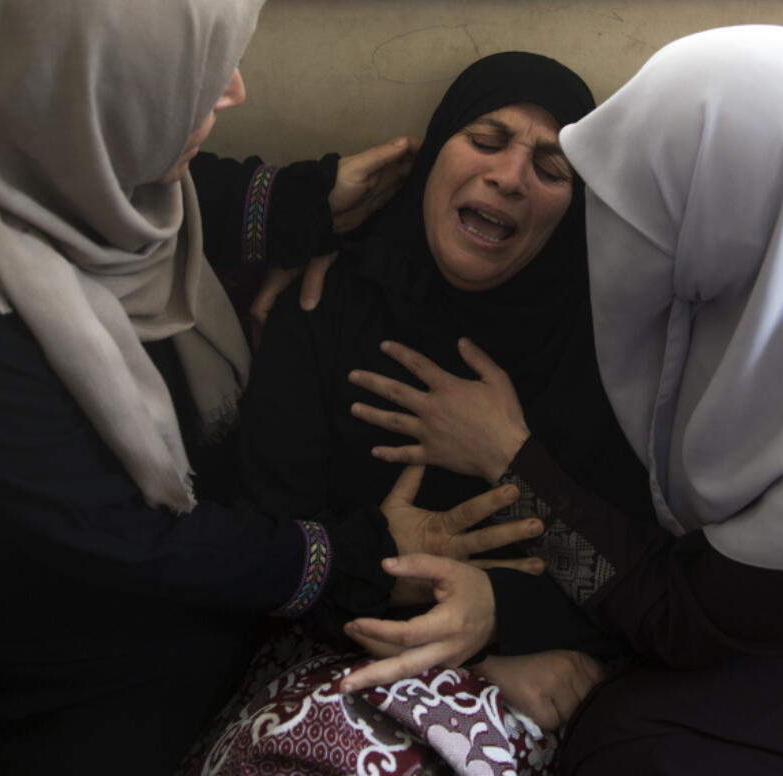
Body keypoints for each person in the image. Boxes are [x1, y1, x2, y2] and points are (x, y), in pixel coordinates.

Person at [0, 2, 538, 774]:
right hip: (9, 672)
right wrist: (362, 556)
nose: (233, 90)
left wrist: (301, 204)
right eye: (186, 77)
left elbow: (94, 172)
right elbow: (121, 538)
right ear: (78, 92)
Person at [340, 25, 783, 775]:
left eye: (652, 208)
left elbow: (685, 620)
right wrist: (331, 247)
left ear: (729, 208)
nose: (613, 236)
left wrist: (507, 460)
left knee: (630, 742)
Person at [199, 51, 649, 772]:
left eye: (551, 167)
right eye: (487, 139)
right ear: (435, 151)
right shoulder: (327, 304)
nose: (508, 177)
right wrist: (404, 589)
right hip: (330, 649)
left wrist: (507, 474)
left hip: (536, 671)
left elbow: (642, 586)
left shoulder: (603, 348)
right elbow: (266, 540)